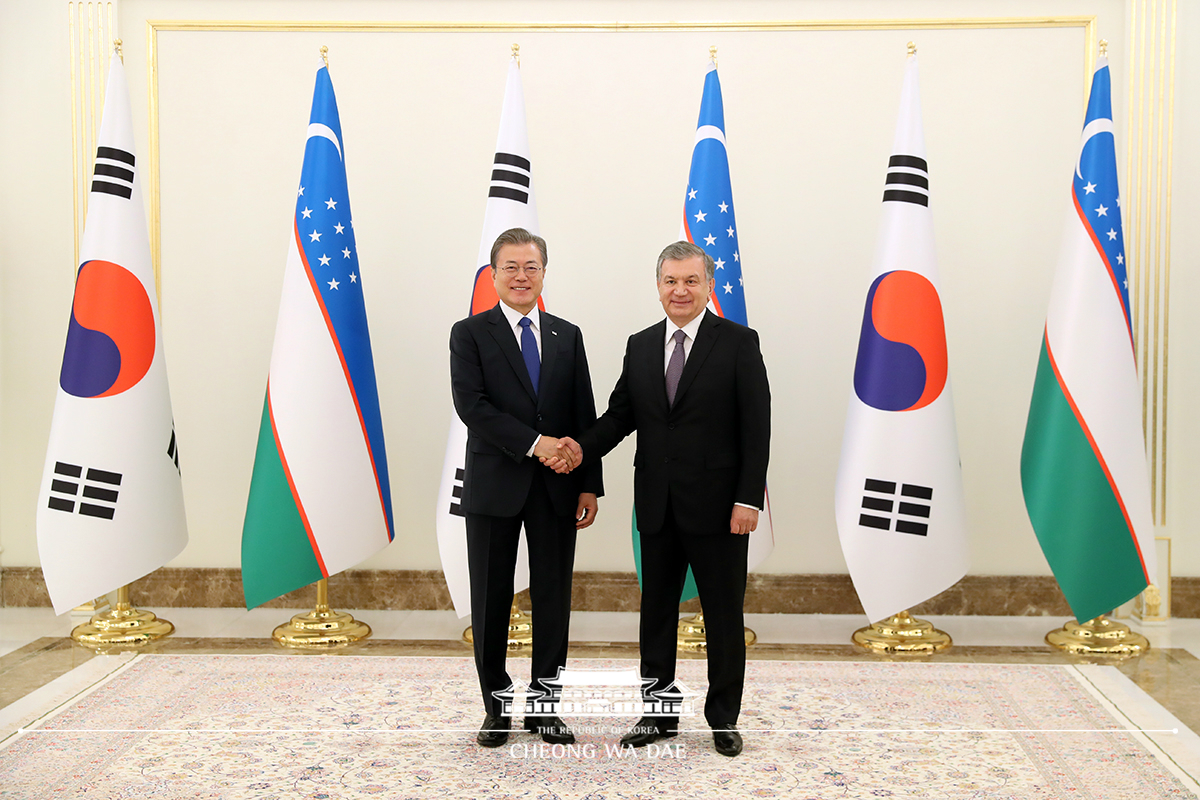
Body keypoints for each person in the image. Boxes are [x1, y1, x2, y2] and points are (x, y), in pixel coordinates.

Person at [545, 240, 769, 757]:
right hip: (657, 506)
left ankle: (722, 719)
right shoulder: (641, 344)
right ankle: (658, 716)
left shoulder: (738, 342)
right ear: (659, 286)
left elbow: (756, 429)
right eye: (671, 281)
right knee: (657, 614)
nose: (680, 290)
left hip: (720, 510)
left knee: (722, 615)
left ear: (709, 287)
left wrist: (747, 500)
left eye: (691, 281)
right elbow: (621, 416)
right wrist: (578, 447)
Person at [449, 227, 603, 748]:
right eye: (510, 267)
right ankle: (496, 706)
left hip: (558, 490)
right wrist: (537, 443)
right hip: (495, 487)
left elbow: (584, 413)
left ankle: (544, 707)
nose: (521, 276)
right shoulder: (469, 334)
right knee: (491, 600)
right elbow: (473, 407)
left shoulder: (568, 334)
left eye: (530, 266)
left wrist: (589, 486)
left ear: (543, 273)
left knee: (554, 598)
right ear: (493, 276)